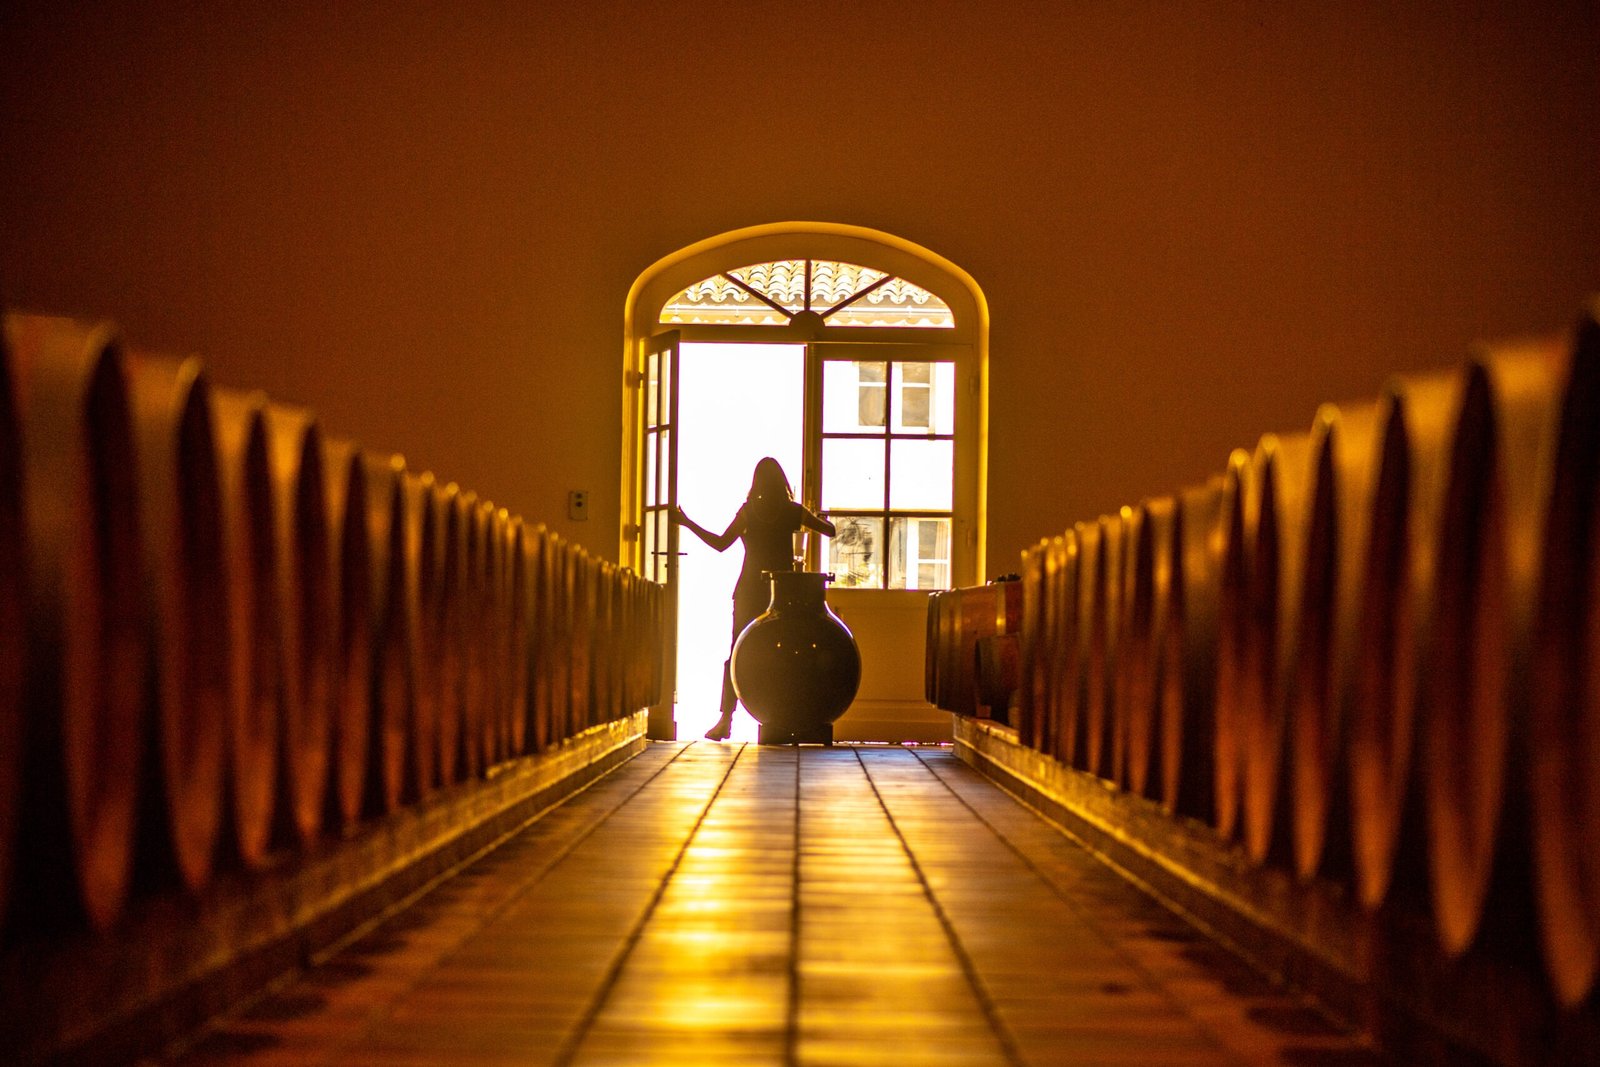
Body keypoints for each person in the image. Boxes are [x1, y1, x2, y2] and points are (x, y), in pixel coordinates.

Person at [675, 457, 835, 740]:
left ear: (756, 482)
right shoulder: (792, 511)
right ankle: (786, 716)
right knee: (785, 653)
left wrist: (687, 523)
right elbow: (830, 531)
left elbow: (721, 544)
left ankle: (725, 720)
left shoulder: (748, 512)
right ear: (782, 482)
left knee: (737, 651)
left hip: (749, 588)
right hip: (782, 591)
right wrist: (818, 517)